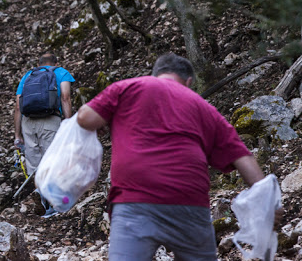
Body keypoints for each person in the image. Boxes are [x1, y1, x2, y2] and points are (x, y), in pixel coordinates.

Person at [76, 52, 282, 260]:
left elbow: (85, 118)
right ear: (189, 81)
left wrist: (108, 120)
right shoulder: (203, 107)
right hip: (190, 204)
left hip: (134, 201)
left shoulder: (128, 87)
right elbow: (242, 156)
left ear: (156, 74)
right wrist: (268, 202)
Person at [14, 53, 75, 217]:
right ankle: (55, 204)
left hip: (28, 123)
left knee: (35, 166)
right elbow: (65, 96)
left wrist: (17, 134)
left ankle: (43, 201)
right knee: (53, 161)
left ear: (38, 63)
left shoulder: (28, 75)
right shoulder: (61, 72)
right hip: (50, 120)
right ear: (56, 62)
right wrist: (69, 123)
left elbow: (18, 106)